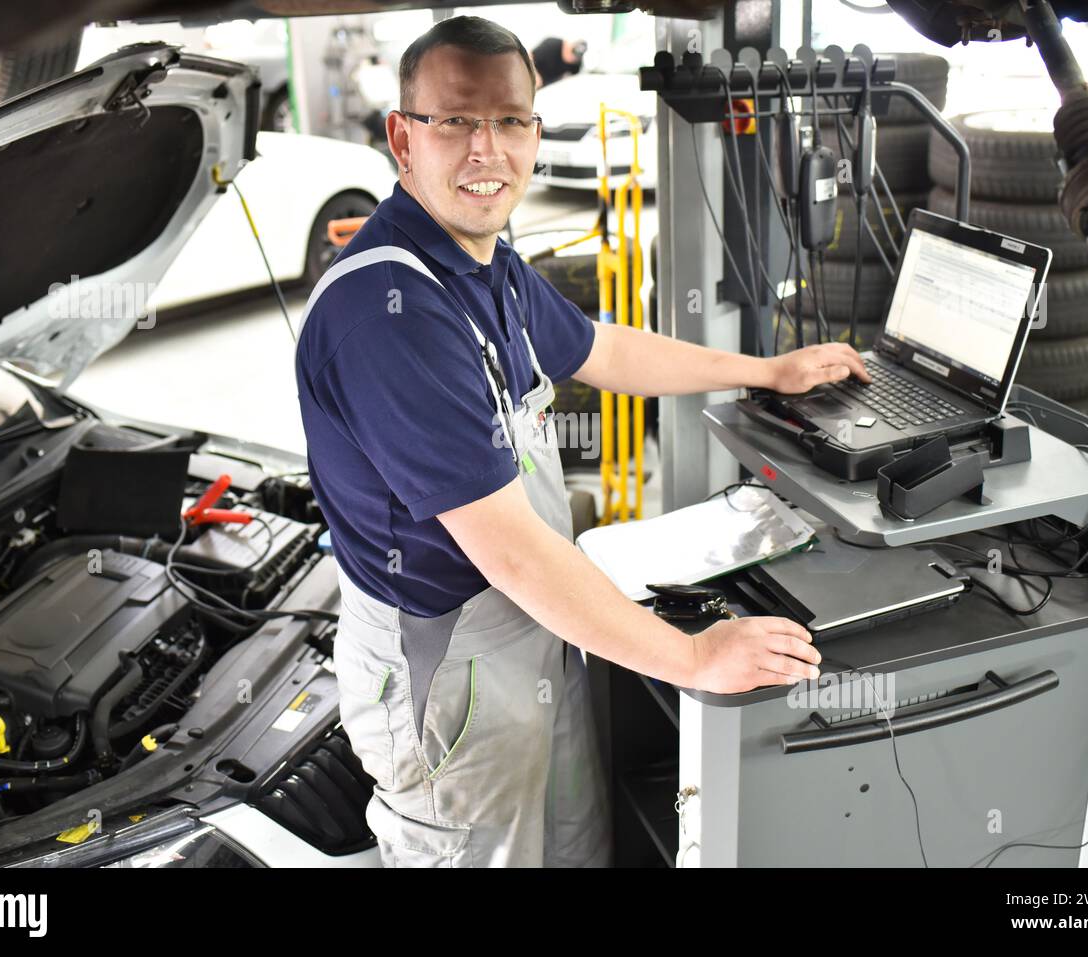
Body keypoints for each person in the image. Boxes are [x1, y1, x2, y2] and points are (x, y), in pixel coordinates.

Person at [294, 15, 871, 868]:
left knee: (571, 849)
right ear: (402, 138)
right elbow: (516, 555)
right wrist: (691, 656)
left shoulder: (484, 261)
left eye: (511, 120)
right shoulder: (390, 314)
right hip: (451, 665)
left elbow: (602, 349)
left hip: (538, 630)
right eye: (455, 121)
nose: (487, 149)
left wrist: (767, 369)